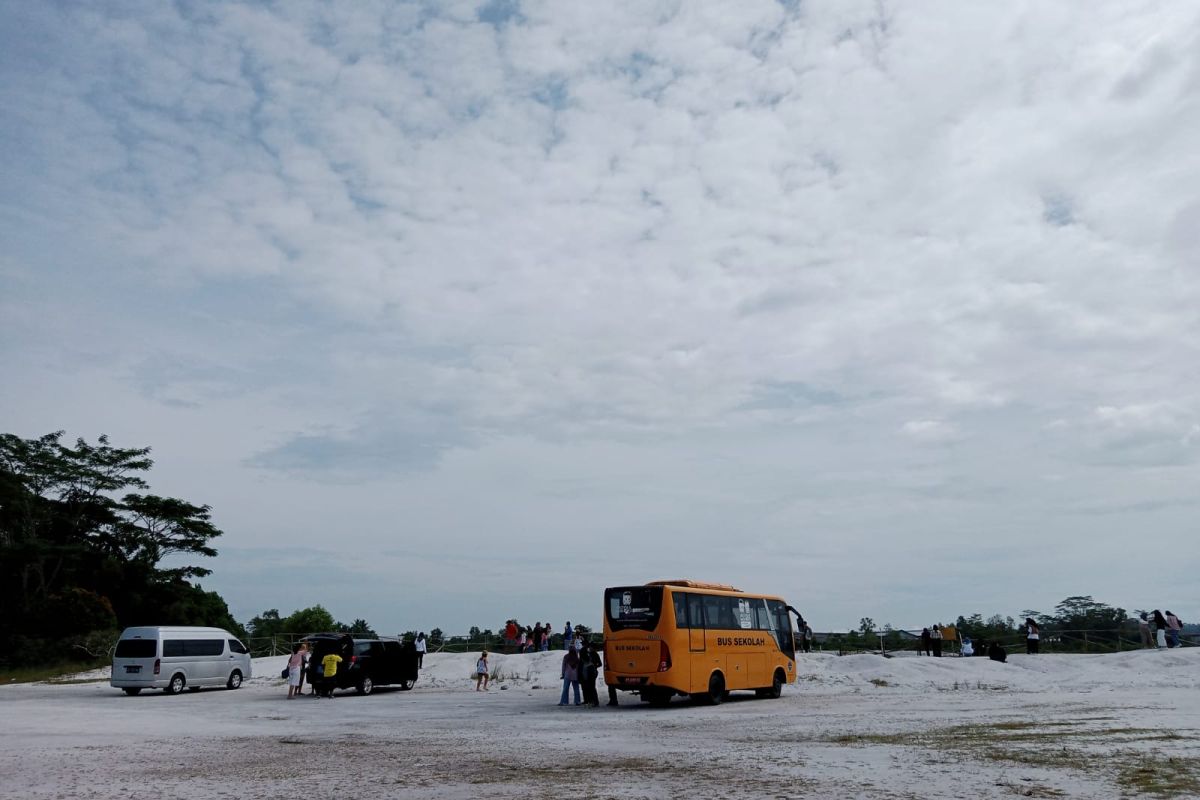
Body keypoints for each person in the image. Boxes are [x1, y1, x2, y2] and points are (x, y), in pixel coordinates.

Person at [579, 641, 602, 707]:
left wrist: (594, 666)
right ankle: (590, 701)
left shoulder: (593, 654)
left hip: (591, 672)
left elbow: (600, 664)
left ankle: (594, 701)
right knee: (589, 687)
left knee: (592, 687)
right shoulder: (588, 653)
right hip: (590, 672)